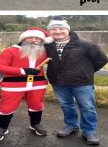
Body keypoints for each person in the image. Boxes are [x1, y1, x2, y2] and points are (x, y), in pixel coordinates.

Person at [44, 16, 107, 145]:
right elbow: (27, 43)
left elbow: (101, 59)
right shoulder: (47, 45)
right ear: (49, 31)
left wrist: (86, 72)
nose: (58, 31)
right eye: (54, 29)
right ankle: (71, 125)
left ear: (68, 30)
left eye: (61, 28)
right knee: (66, 105)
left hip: (82, 82)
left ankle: (89, 131)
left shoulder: (85, 44)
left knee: (87, 107)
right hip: (58, 82)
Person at [0, 27, 52, 142]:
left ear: (41, 41)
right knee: (6, 108)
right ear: (23, 39)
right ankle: (2, 128)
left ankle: (35, 125)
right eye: (30, 37)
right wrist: (22, 71)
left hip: (37, 85)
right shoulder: (10, 51)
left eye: (38, 38)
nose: (34, 40)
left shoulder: (45, 51)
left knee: (37, 106)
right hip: (13, 85)